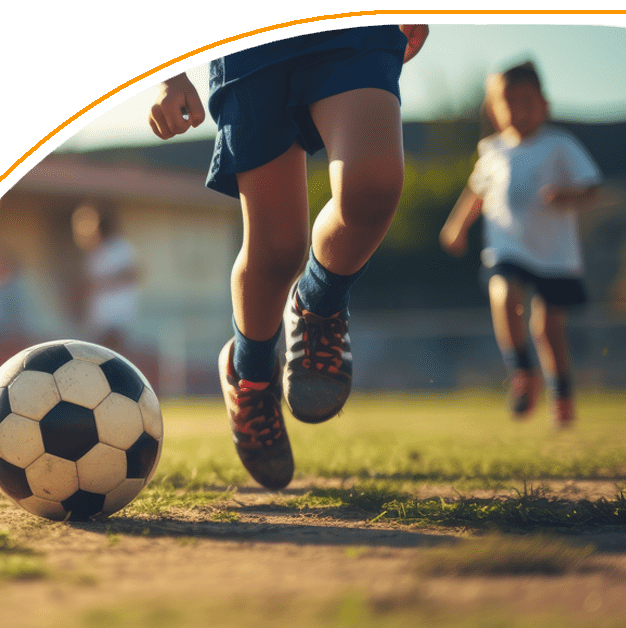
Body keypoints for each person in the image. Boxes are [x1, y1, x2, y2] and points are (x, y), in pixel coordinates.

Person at [149, 24, 429, 488]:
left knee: (372, 187)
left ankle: (318, 305)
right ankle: (251, 376)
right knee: (278, 249)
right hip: (248, 41)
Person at [440, 62, 602, 428]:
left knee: (547, 329)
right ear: (494, 109)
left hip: (555, 256)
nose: (517, 110)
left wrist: (568, 194)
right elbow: (476, 193)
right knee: (503, 292)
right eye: (506, 102)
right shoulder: (492, 150)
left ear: (544, 104)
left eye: (526, 101)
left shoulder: (559, 145)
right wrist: (457, 226)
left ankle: (561, 393)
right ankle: (522, 372)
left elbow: (592, 187)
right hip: (507, 249)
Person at [71, 203, 140, 355]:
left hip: (118, 314)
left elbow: (132, 274)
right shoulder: (94, 253)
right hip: (99, 318)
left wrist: (102, 283)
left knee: (117, 356)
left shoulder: (120, 247)